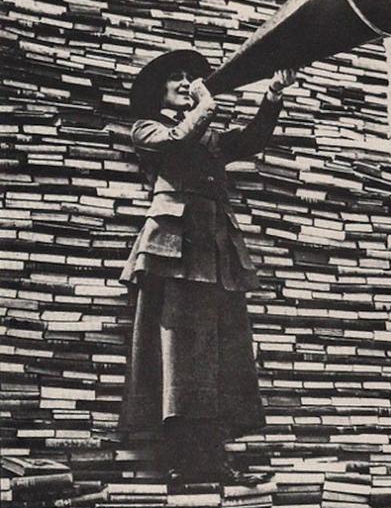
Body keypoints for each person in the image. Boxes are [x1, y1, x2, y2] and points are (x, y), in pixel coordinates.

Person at [119, 48, 296, 485]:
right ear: (157, 90)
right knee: (179, 355)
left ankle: (214, 460)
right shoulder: (148, 128)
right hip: (172, 251)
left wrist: (273, 94)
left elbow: (251, 141)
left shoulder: (206, 134)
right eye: (176, 78)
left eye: (191, 78)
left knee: (219, 353)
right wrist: (206, 106)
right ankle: (182, 460)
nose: (186, 84)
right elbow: (176, 142)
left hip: (214, 252)